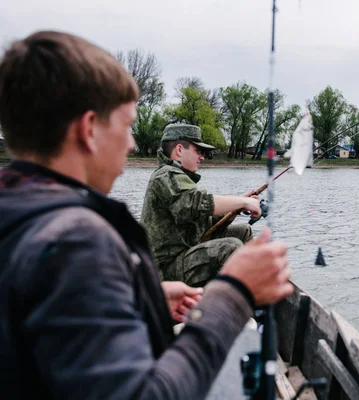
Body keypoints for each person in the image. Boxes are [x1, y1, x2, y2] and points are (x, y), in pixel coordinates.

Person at [0, 30, 293, 399]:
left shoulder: (17, 215)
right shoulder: (74, 241)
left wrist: (144, 298)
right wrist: (233, 295)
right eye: (125, 126)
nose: (132, 143)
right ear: (89, 130)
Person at [140, 124, 262, 287]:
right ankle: (228, 303)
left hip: (182, 257)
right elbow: (196, 203)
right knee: (230, 247)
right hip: (164, 272)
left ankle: (255, 288)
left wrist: (235, 208)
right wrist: (243, 201)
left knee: (243, 232)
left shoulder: (178, 177)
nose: (202, 157)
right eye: (198, 151)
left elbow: (203, 223)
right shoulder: (165, 176)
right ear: (179, 150)